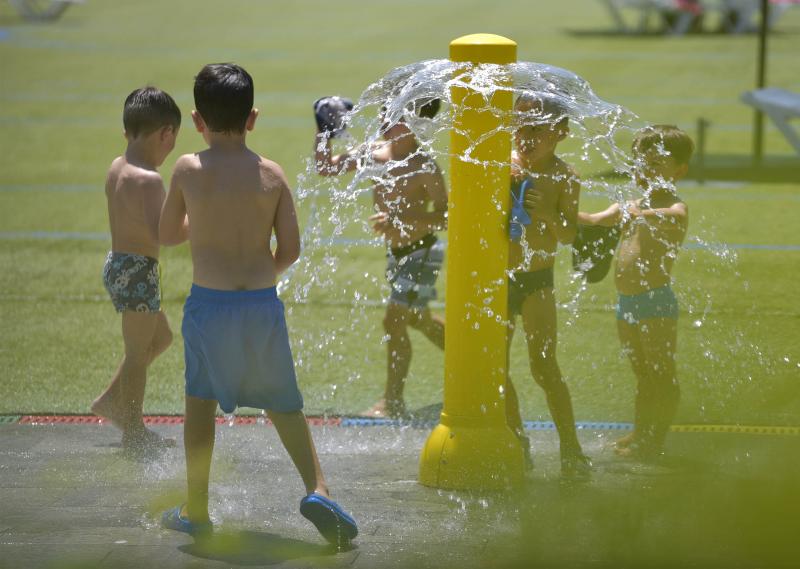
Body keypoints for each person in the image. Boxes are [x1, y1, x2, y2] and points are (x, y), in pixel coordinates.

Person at [159, 63, 357, 546]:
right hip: (261, 305)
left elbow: (167, 234)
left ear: (197, 120)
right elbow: (290, 249)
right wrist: (264, 265)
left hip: (210, 305)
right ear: (253, 118)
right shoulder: (271, 174)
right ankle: (319, 488)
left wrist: (200, 228)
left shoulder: (188, 169)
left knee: (200, 402)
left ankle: (197, 508)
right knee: (285, 404)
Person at [314, 98, 447, 419]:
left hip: (423, 252)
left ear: (418, 125)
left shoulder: (423, 167)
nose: (386, 119)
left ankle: (393, 402)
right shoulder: (372, 154)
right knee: (419, 320)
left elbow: (446, 216)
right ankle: (476, 360)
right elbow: (326, 168)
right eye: (386, 112)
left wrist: (404, 217)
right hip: (397, 252)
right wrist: (324, 132)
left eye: (398, 115)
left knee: (394, 321)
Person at [578, 125, 692, 460]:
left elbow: (674, 216)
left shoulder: (673, 205)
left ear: (679, 171)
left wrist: (641, 213)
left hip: (656, 302)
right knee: (643, 374)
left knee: (661, 374)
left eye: (657, 164)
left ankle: (654, 440)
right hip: (626, 304)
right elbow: (594, 219)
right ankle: (643, 430)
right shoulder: (629, 204)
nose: (646, 170)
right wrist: (554, 211)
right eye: (642, 163)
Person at [504, 93, 591, 477]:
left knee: (544, 366)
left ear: (561, 133)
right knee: (494, 369)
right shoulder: (501, 164)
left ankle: (571, 447)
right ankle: (517, 440)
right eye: (521, 127)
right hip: (499, 279)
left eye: (538, 130)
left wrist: (546, 213)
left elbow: (570, 235)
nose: (527, 136)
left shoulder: (565, 176)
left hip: (537, 279)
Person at [92, 87, 180, 452]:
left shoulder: (118, 166)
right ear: (165, 134)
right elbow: (164, 232)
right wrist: (195, 220)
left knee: (160, 339)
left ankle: (112, 400)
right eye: (171, 142)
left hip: (118, 264)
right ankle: (133, 429)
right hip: (138, 271)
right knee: (136, 353)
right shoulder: (150, 179)